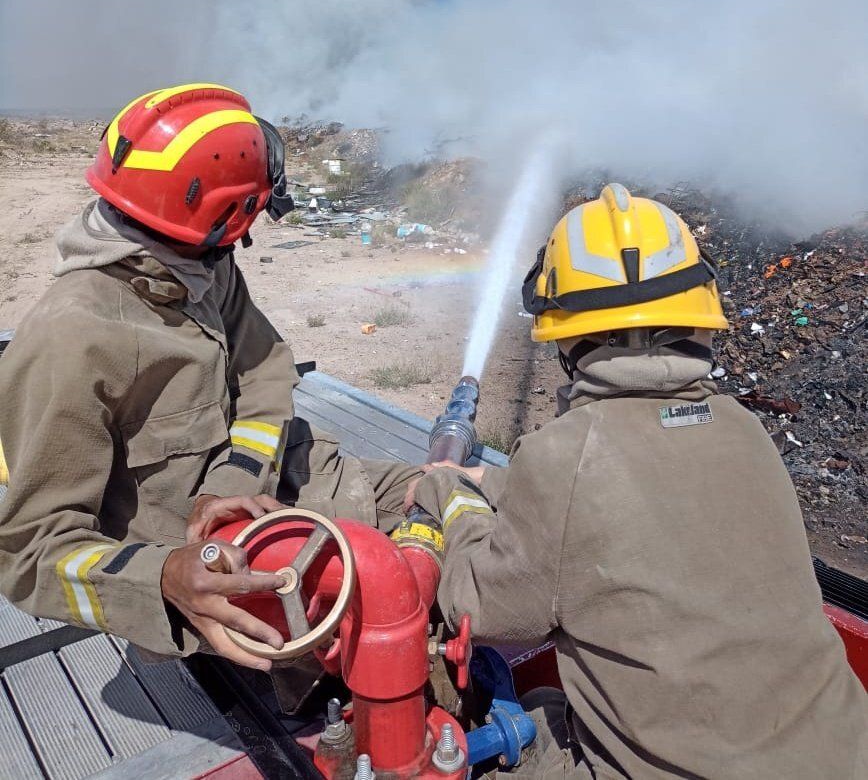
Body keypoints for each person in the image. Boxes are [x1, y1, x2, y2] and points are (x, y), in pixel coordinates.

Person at [409, 184, 867, 778]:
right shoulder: (745, 429)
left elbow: (482, 608)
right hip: (844, 754)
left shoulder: (567, 457)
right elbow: (637, 490)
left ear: (566, 334)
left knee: (529, 724)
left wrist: (452, 493)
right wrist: (499, 484)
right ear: (698, 313)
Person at [0, 83, 420, 673]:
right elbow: (31, 553)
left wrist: (227, 482)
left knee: (444, 490)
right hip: (224, 574)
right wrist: (165, 576)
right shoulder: (71, 340)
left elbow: (265, 377)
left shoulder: (203, 270)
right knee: (410, 591)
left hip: (286, 487)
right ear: (226, 214)